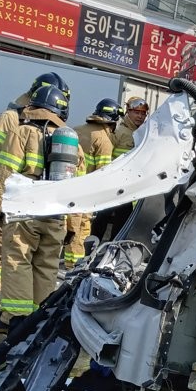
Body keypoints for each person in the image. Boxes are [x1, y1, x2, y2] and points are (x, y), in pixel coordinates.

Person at [0, 72, 71, 313]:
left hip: (19, 206)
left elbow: (3, 167)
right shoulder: (11, 119)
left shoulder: (27, 129)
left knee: (17, 259)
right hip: (23, 203)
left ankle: (16, 315)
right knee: (0, 253)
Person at [64, 98, 119, 268]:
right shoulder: (104, 140)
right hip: (85, 192)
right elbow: (102, 173)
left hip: (66, 186)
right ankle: (74, 265)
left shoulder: (76, 130)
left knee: (66, 225)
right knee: (80, 229)